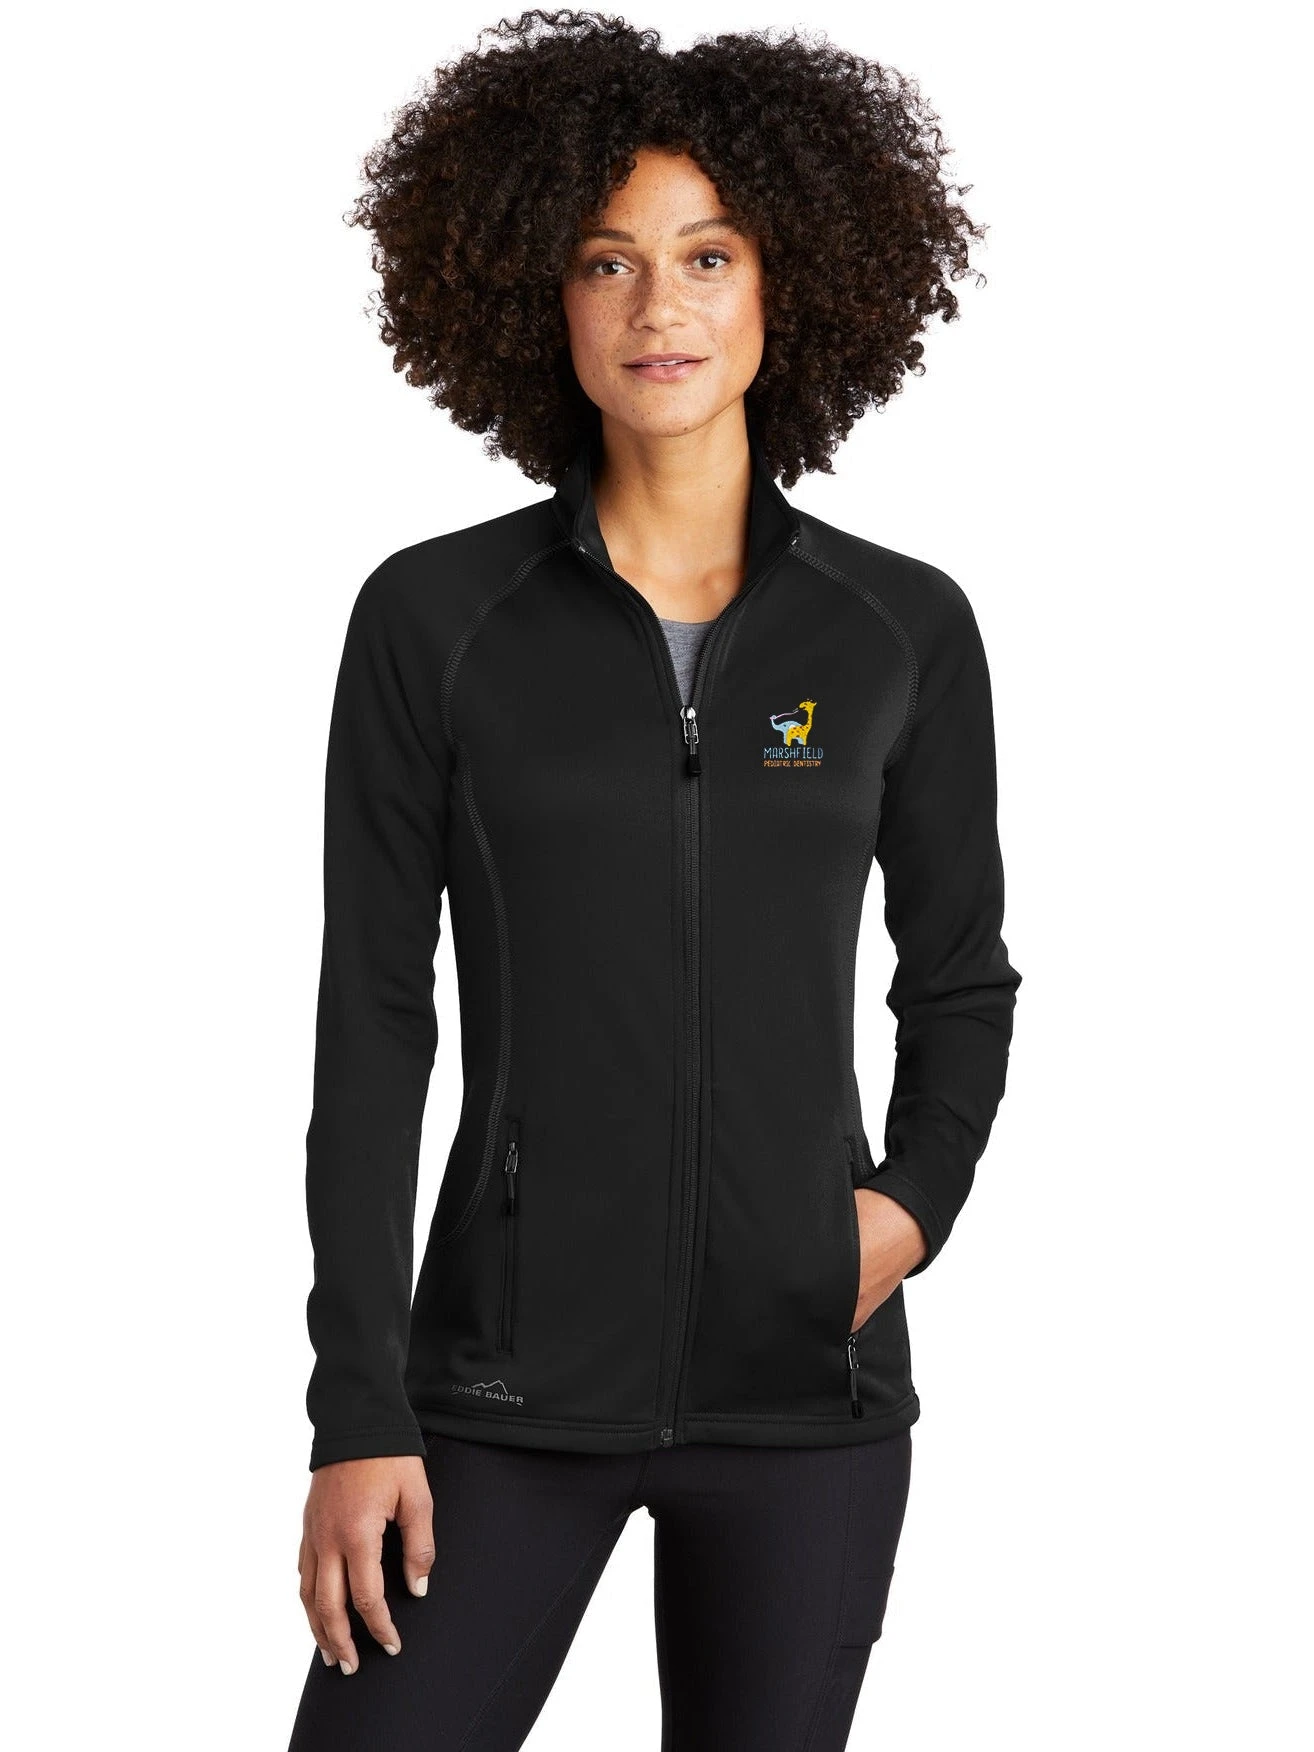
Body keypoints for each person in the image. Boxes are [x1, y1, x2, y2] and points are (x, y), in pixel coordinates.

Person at [288, 12, 1021, 1749]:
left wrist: (907, 1208)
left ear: (786, 285)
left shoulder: (896, 629)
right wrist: (356, 1410)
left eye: (707, 255)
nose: (655, 308)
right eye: (605, 260)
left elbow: (959, 978)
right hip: (495, 1391)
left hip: (807, 1397)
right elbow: (374, 1020)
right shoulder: (435, 619)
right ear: (540, 296)